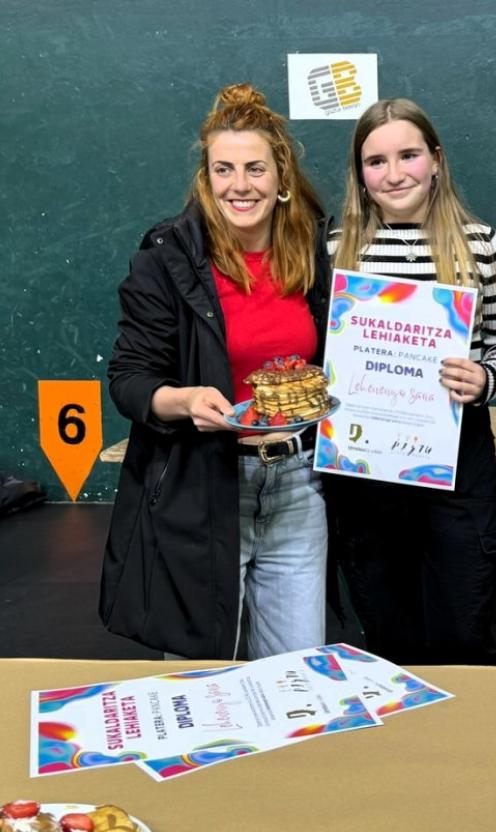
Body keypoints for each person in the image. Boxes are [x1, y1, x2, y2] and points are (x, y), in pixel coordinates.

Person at [101, 83, 332, 659]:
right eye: (223, 169)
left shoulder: (317, 251)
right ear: (206, 179)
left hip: (298, 484)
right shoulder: (165, 257)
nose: (240, 185)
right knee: (203, 692)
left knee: (296, 677)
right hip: (202, 484)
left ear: (281, 175)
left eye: (255, 168)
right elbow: (129, 378)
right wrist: (180, 401)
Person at [324, 99, 496, 665]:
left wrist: (484, 377)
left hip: (457, 460)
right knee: (388, 637)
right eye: (376, 161)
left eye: (408, 155)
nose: (393, 174)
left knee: (462, 631)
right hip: (364, 467)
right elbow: (318, 350)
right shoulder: (337, 250)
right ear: (360, 174)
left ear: (436, 160)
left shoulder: (481, 245)